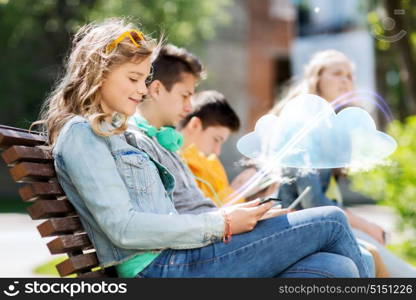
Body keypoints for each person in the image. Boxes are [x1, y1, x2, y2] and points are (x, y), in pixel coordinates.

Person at [32, 18, 372, 278]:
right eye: (133, 78)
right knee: (332, 219)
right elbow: (124, 228)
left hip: (183, 255)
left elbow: (167, 213)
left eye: (144, 78)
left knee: (336, 268)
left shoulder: (118, 132)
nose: (142, 89)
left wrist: (238, 219)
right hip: (164, 267)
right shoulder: (81, 134)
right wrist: (222, 223)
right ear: (98, 74)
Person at [273, 49, 416, 277]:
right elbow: (312, 201)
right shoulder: (301, 125)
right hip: (299, 226)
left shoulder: (332, 128)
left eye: (350, 76)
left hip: (324, 224)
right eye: (337, 73)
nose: (345, 80)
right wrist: (363, 223)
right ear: (316, 79)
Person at [178, 90, 245, 206]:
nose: (217, 151)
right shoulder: (169, 164)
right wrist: (237, 189)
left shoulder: (212, 164)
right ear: (195, 126)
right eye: (216, 139)